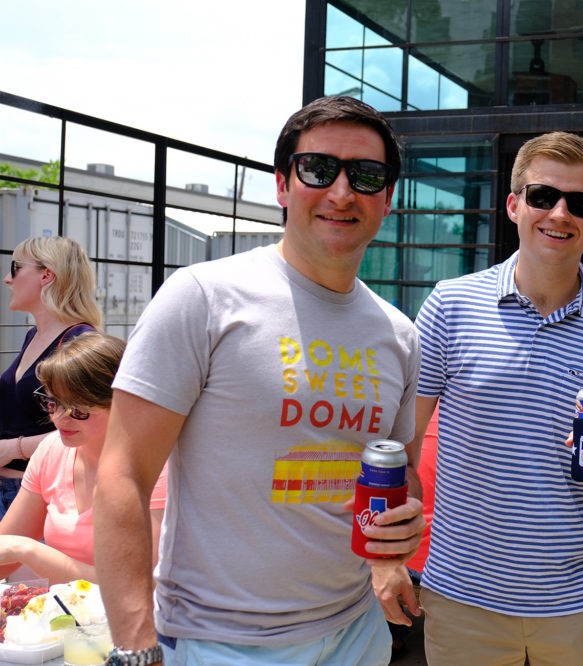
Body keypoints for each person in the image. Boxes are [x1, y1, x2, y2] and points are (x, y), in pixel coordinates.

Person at [93, 96, 425, 666]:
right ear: (282, 183)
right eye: (319, 169)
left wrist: (401, 528)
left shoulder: (397, 334)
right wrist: (135, 645)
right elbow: (122, 473)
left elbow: (399, 476)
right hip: (220, 642)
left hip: (358, 634)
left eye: (366, 176)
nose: (342, 192)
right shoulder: (204, 298)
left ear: (388, 198)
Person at [413, 131, 583, 665]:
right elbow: (401, 440)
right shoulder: (450, 306)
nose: (559, 214)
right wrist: (384, 561)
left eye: (580, 203)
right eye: (543, 196)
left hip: (581, 600)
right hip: (462, 599)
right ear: (514, 205)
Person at [0, 332, 165, 583]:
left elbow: (139, 584)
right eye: (53, 403)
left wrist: (29, 551)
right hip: (67, 616)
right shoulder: (52, 450)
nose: (60, 418)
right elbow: (5, 550)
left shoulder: (157, 465)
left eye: (78, 409)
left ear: (121, 402)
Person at [1, 236, 101, 518]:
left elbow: (93, 428)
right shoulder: (33, 335)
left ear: (47, 275)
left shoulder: (80, 342)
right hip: (14, 492)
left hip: (42, 496)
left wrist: (12, 449)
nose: (7, 279)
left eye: (16, 267)